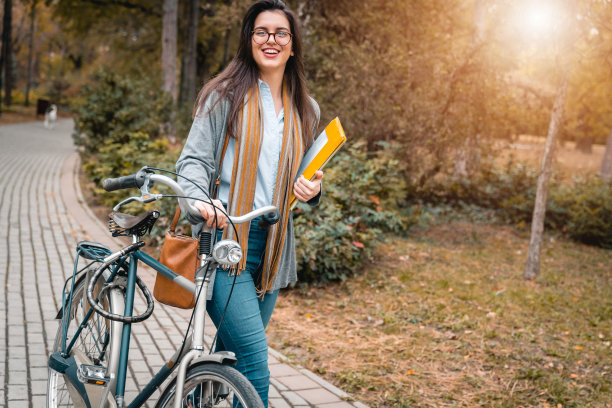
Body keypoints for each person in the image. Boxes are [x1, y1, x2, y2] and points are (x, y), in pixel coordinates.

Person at [175, 0, 323, 406]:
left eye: (281, 33)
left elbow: (304, 175)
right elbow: (193, 161)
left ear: (293, 46)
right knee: (254, 364)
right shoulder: (224, 95)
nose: (271, 39)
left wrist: (312, 189)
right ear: (249, 39)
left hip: (273, 248)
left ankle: (190, 397)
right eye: (262, 31)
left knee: (228, 363)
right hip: (225, 241)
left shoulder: (305, 109)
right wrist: (199, 202)